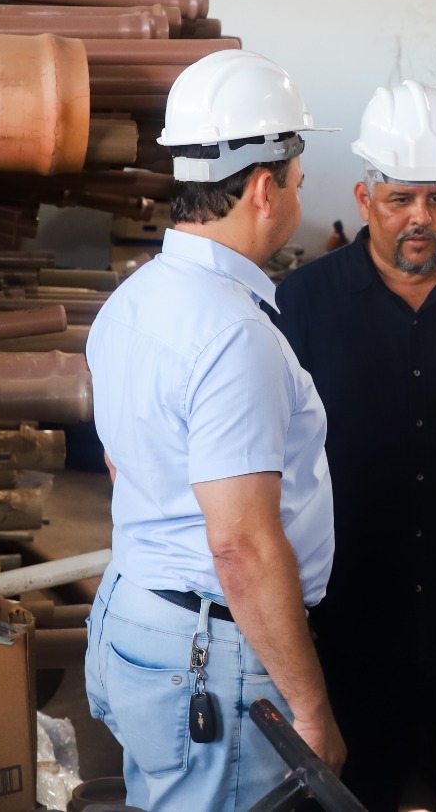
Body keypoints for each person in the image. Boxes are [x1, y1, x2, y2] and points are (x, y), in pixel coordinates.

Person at [84, 50, 346, 812]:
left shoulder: (132, 302)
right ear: (265, 187)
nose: (299, 197)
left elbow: (121, 461)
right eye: (298, 181)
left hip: (134, 617)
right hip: (208, 651)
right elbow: (240, 544)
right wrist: (311, 709)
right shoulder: (233, 334)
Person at [274, 80, 436, 811]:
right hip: (351, 622)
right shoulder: (302, 305)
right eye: (400, 200)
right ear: (365, 200)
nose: (420, 219)